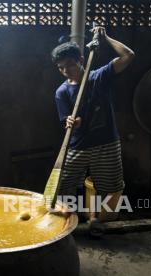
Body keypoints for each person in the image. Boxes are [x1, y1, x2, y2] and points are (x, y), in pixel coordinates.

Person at [51, 27, 135, 234]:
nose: (66, 70)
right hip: (78, 145)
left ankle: (95, 219)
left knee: (107, 186)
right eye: (61, 68)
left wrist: (105, 38)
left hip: (107, 142)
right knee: (64, 185)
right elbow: (67, 121)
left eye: (70, 64)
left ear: (80, 59)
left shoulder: (100, 76)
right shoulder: (62, 92)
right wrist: (72, 121)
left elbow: (128, 55)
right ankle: (69, 221)